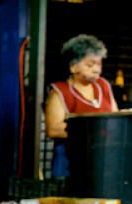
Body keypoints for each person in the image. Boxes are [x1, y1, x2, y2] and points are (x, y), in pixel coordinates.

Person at [45, 35, 117, 177]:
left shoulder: (104, 86)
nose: (96, 70)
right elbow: (53, 129)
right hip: (70, 160)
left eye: (99, 64)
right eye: (90, 65)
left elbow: (115, 117)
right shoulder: (60, 92)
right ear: (73, 66)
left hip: (103, 158)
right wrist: (95, 129)